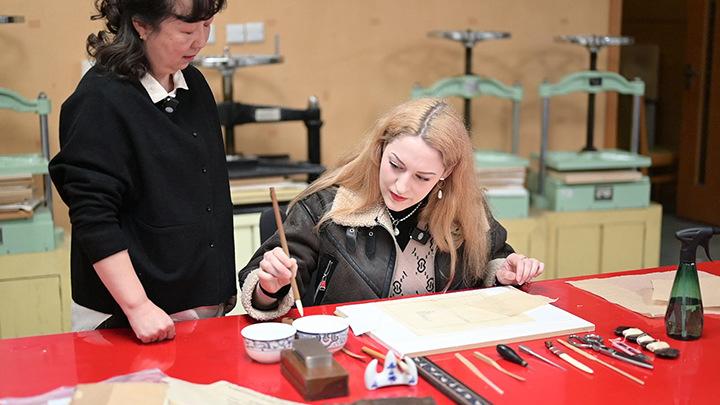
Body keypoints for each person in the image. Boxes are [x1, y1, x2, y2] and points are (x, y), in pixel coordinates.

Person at [238, 98, 544, 320]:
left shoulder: (465, 208)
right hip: (353, 356)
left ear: (447, 172)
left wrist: (504, 272)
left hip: (439, 352)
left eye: (422, 177)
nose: (401, 186)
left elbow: (493, 256)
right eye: (395, 165)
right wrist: (269, 288)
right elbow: (262, 295)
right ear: (381, 148)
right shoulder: (325, 206)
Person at [49, 0, 235, 343]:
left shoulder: (193, 85)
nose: (200, 41)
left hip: (197, 309)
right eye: (187, 30)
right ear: (142, 26)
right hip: (129, 318)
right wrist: (137, 306)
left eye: (207, 25)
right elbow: (93, 216)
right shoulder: (100, 99)